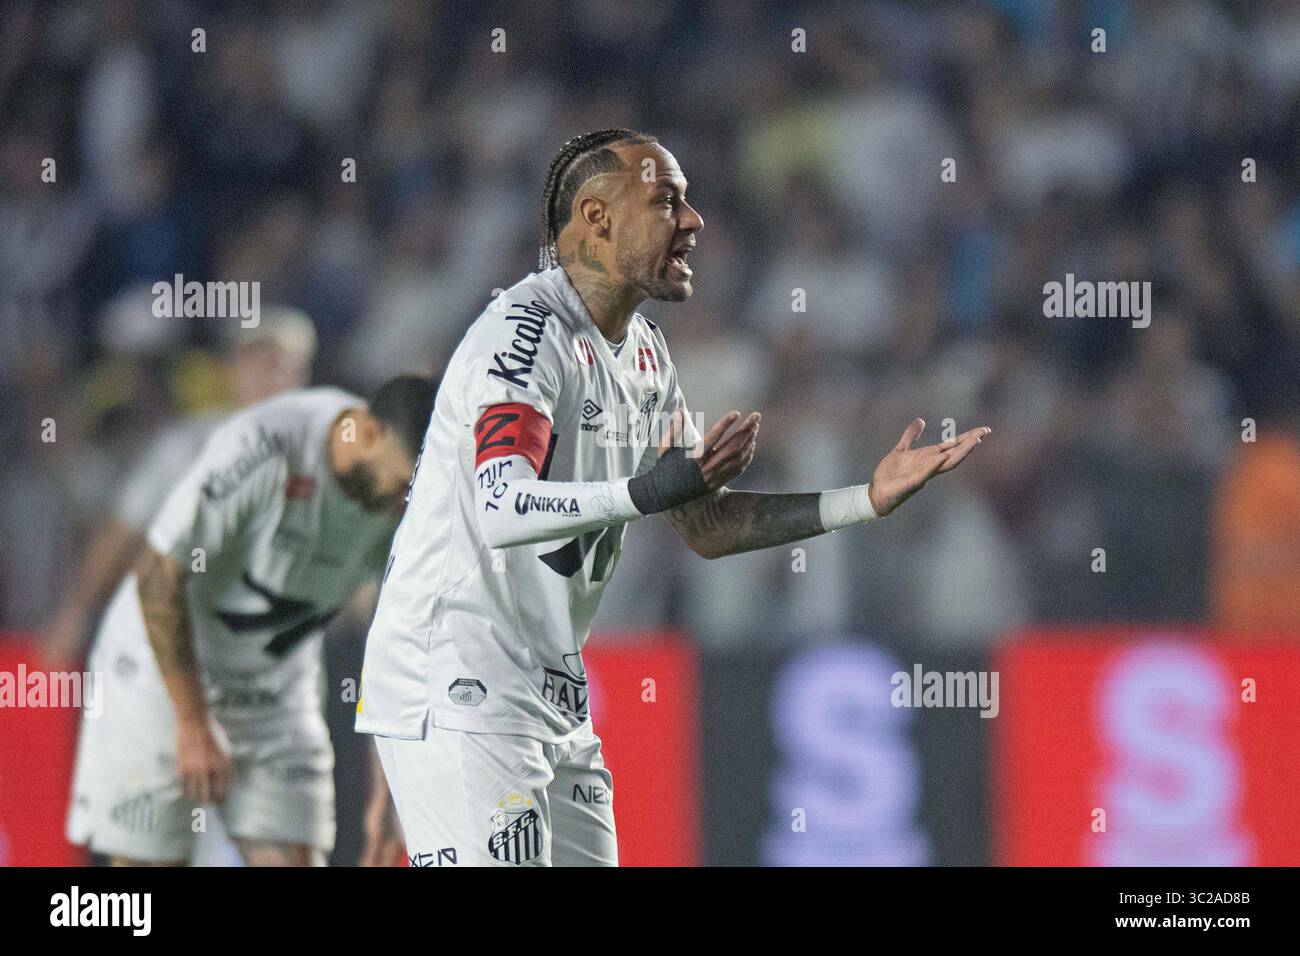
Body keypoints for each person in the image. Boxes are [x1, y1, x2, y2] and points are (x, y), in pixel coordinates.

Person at [356, 129, 990, 866]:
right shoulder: (523, 338)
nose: (693, 221)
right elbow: (502, 506)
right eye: (666, 202)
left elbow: (706, 524)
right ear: (597, 218)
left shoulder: (648, 353)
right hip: (457, 679)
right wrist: (651, 488)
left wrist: (864, 501)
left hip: (549, 693)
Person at [66, 375, 437, 866]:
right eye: (403, 486)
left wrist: (388, 801)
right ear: (367, 433)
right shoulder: (266, 448)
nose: (403, 507)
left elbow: (396, 651)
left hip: (272, 691)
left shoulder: (408, 503)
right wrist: (192, 721)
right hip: (162, 676)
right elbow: (157, 576)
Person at [43, 307, 318, 667]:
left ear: (302, 376)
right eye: (256, 362)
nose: (267, 377)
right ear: (231, 369)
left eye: (282, 366)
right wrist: (73, 613)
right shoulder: (187, 443)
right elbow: (121, 530)